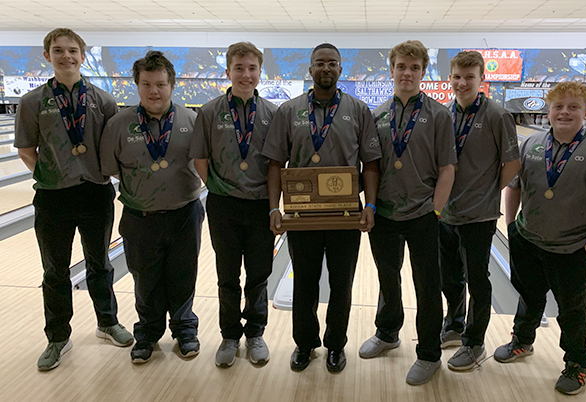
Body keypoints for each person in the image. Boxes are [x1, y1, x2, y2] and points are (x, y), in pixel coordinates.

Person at [495, 82, 586, 395]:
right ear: (548, 110)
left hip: (573, 249)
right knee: (528, 297)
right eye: (558, 106)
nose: (565, 112)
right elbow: (514, 185)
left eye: (573, 107)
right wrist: (513, 225)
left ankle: (576, 363)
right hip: (528, 241)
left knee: (572, 311)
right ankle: (522, 341)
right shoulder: (532, 144)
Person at [14, 28, 133, 371]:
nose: (66, 56)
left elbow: (113, 149)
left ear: (83, 54)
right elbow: (25, 149)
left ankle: (107, 322)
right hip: (52, 197)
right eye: (58, 50)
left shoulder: (103, 100)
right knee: (55, 270)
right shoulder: (32, 102)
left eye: (72, 50)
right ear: (47, 56)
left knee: (100, 263)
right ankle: (57, 337)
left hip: (95, 193)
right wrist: (52, 173)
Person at [262, 43, 381, 374]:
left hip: (345, 214)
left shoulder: (358, 111)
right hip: (302, 215)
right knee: (305, 283)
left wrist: (369, 204)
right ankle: (304, 344)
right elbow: (275, 163)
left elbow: (370, 164)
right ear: (310, 69)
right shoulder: (289, 111)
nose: (325, 68)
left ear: (341, 70)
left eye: (332, 63)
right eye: (319, 63)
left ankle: (335, 345)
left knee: (342, 284)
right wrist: (275, 208)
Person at [357, 40, 456, 385]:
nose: (407, 73)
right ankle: (387, 333)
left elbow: (447, 168)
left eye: (415, 68)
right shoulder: (377, 114)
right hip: (384, 212)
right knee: (388, 278)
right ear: (392, 70)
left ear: (423, 72)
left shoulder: (439, 114)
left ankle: (429, 354)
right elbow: (370, 165)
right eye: (401, 66)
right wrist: (369, 205)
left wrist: (436, 212)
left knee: (428, 286)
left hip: (422, 214)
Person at [100, 51, 204, 364]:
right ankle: (147, 332)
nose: (153, 91)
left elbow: (202, 162)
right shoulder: (118, 124)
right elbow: (111, 169)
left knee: (183, 276)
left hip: (185, 213)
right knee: (144, 278)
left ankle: (184, 329)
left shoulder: (192, 120)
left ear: (172, 85)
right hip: (139, 216)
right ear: (137, 85)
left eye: (160, 84)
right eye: (146, 84)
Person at [190, 42, 277, 367]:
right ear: (228, 72)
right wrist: (216, 186)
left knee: (258, 275)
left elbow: (275, 165)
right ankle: (229, 335)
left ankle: (255, 333)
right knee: (227, 275)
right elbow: (200, 158)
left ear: (259, 72)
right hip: (223, 205)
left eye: (252, 68)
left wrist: (273, 206)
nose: (245, 74)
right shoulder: (210, 111)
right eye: (239, 68)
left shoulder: (271, 113)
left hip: (259, 206)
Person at [439, 50, 521, 371]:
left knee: (477, 278)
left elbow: (512, 164)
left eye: (469, 77)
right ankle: (455, 324)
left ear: (481, 79)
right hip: (445, 211)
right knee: (450, 276)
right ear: (450, 78)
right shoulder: (444, 114)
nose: (462, 83)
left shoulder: (497, 116)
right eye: (457, 77)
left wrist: (488, 192)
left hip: (480, 214)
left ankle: (474, 342)